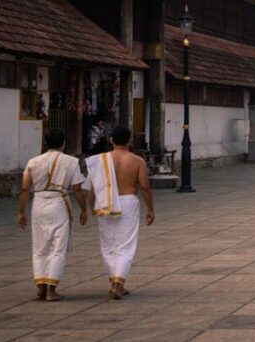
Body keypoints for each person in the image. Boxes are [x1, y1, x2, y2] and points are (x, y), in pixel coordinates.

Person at [18, 129, 88, 301]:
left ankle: (41, 287)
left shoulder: (33, 162)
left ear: (45, 143)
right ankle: (51, 290)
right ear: (63, 144)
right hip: (59, 204)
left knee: (40, 247)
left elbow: (25, 188)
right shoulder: (71, 161)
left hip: (39, 203)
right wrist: (84, 210)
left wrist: (21, 211)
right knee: (57, 247)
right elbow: (77, 189)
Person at [85, 125, 154, 300]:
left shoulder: (101, 160)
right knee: (126, 244)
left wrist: (90, 206)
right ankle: (118, 283)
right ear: (129, 140)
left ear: (111, 140)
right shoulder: (137, 161)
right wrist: (150, 209)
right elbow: (145, 187)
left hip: (106, 202)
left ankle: (114, 281)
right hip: (128, 201)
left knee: (109, 243)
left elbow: (94, 188)